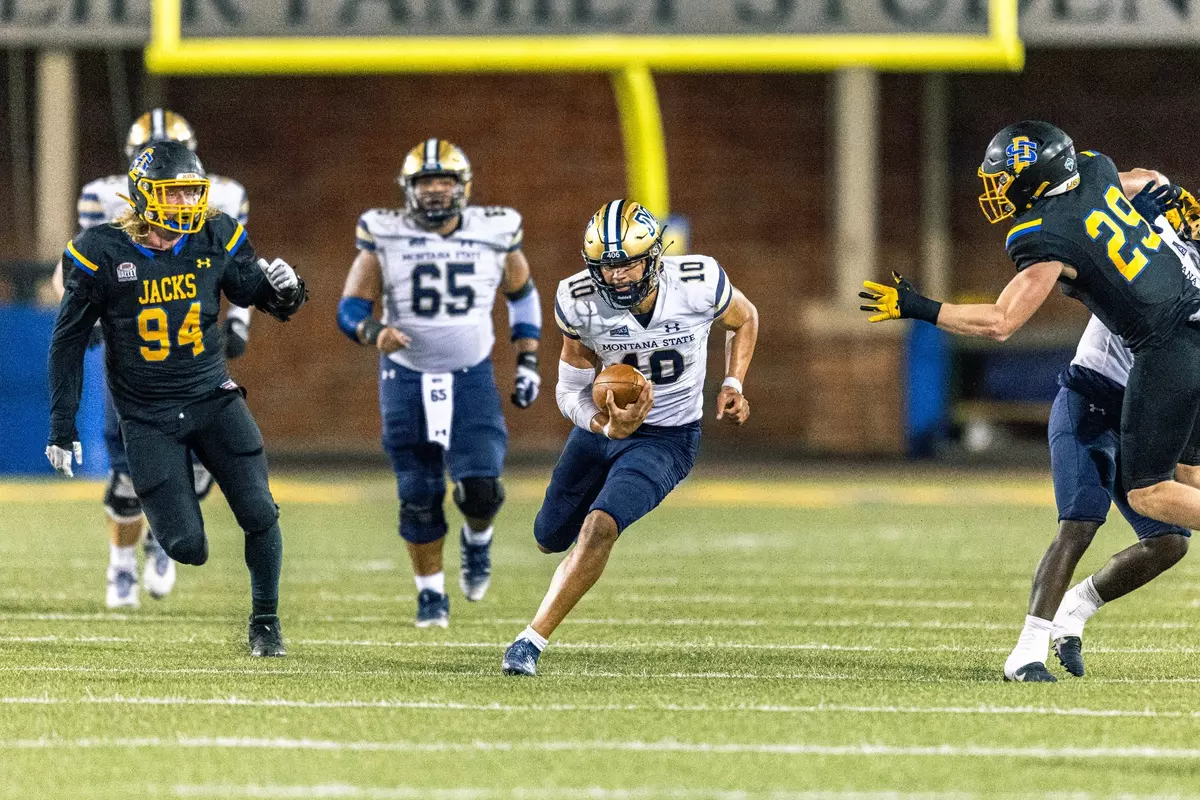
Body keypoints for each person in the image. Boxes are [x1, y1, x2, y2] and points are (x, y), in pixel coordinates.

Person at [859, 120, 1200, 681]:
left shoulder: (1048, 227)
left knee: (1156, 502)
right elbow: (1147, 180)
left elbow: (1000, 320)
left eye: (1005, 179)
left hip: (1159, 363)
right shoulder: (1099, 177)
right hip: (1119, 381)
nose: (995, 190)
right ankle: (1030, 648)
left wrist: (919, 307)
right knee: (1108, 511)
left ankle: (1060, 623)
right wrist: (1167, 191)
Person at [46, 140, 307, 656]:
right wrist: (62, 422)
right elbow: (68, 341)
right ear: (145, 196)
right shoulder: (101, 250)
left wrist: (290, 290)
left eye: (193, 193)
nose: (188, 205)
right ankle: (159, 537)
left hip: (213, 398)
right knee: (188, 548)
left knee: (260, 511)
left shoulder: (215, 235)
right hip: (147, 417)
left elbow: (260, 295)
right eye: (176, 194)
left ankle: (266, 623)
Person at [501, 199, 759, 676]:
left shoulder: (698, 282)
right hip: (603, 430)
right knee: (548, 536)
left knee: (600, 526)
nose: (617, 276)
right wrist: (604, 426)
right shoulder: (577, 300)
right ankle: (554, 578)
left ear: (654, 256)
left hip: (668, 437)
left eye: (628, 264)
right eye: (607, 267)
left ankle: (529, 642)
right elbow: (568, 390)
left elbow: (745, 317)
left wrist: (733, 382)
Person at [51, 108, 254, 609]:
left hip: (192, 345)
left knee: (205, 468)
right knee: (127, 471)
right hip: (134, 347)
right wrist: (87, 315)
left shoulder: (221, 198)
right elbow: (77, 263)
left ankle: (160, 540)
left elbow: (233, 267)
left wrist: (238, 323)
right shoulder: (104, 197)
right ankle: (121, 566)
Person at [337, 138, 542, 628]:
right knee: (418, 491)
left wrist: (528, 359)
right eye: (424, 182)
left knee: (482, 489)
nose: (434, 191)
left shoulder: (496, 229)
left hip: (471, 375)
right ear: (408, 189)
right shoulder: (384, 232)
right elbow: (351, 306)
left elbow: (522, 293)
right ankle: (430, 595)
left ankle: (477, 542)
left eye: (443, 181)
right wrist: (372, 331)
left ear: (462, 188)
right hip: (405, 374)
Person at [1007, 182, 1200, 680]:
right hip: (1091, 398)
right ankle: (1027, 650)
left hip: (1144, 412)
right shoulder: (1155, 260)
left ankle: (1076, 608)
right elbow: (1129, 191)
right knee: (1081, 520)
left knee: (1170, 541)